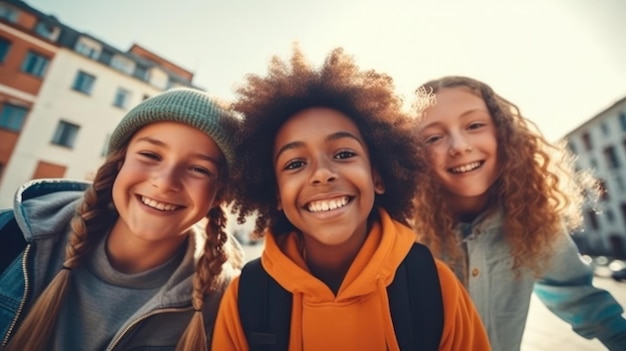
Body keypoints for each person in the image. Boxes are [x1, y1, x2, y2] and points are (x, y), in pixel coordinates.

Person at [211, 46, 491, 351]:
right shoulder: (247, 298)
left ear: (378, 176)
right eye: (294, 164)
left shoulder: (435, 287)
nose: (321, 174)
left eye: (344, 154)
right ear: (277, 193)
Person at [0, 87, 245, 351]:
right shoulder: (11, 234)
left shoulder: (229, 305)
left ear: (220, 194)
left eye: (199, 169)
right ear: (119, 162)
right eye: (150, 155)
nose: (164, 183)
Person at [412, 75, 626, 351]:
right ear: (413, 154)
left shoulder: (532, 220)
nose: (459, 146)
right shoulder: (398, 233)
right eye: (433, 137)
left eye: (474, 125)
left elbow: (583, 301)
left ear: (504, 133)